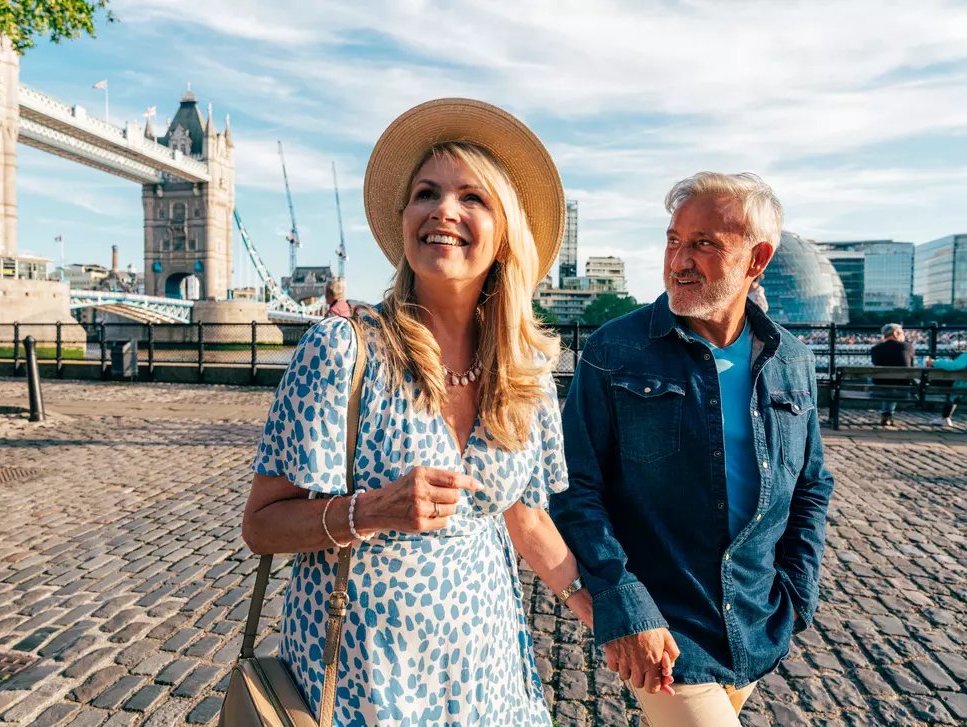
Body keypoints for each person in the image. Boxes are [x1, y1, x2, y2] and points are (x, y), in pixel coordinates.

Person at [242, 99, 591, 726]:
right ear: (406, 220)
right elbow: (262, 525)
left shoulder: (527, 373)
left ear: (505, 229)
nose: (443, 211)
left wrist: (607, 613)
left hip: (487, 677)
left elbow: (527, 519)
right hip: (360, 681)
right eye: (426, 193)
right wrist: (371, 510)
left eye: (472, 198)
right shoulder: (343, 350)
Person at [551, 172, 835, 727]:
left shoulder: (792, 360)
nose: (680, 259)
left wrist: (798, 592)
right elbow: (573, 486)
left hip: (754, 621)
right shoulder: (617, 349)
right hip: (664, 626)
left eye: (705, 243)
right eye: (674, 239)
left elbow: (810, 485)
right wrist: (623, 600)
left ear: (757, 260)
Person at [869, 323, 914, 426]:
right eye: (902, 333)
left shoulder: (875, 349)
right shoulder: (908, 347)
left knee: (880, 380)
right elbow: (911, 367)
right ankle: (887, 414)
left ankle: (886, 414)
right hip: (902, 392)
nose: (904, 336)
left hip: (879, 391)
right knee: (894, 382)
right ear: (895, 334)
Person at [927, 351, 967, 427]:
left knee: (953, 392)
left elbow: (953, 365)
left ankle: (945, 418)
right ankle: (945, 418)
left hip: (962, 391)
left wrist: (934, 363)